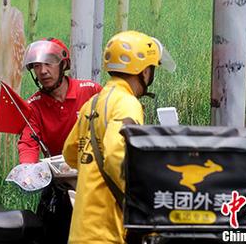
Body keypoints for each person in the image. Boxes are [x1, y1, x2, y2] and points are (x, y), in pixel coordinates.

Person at [63, 30, 176, 244]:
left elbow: (69, 153)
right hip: (107, 230)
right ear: (143, 72)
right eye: (151, 69)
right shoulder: (127, 103)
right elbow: (117, 156)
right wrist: (144, 200)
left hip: (82, 229)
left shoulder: (94, 102)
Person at [18, 37, 102, 243]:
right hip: (60, 183)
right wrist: (27, 169)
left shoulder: (90, 90)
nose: (43, 71)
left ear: (63, 64)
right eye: (37, 66)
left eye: (49, 63)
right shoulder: (33, 105)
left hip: (95, 180)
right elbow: (28, 142)